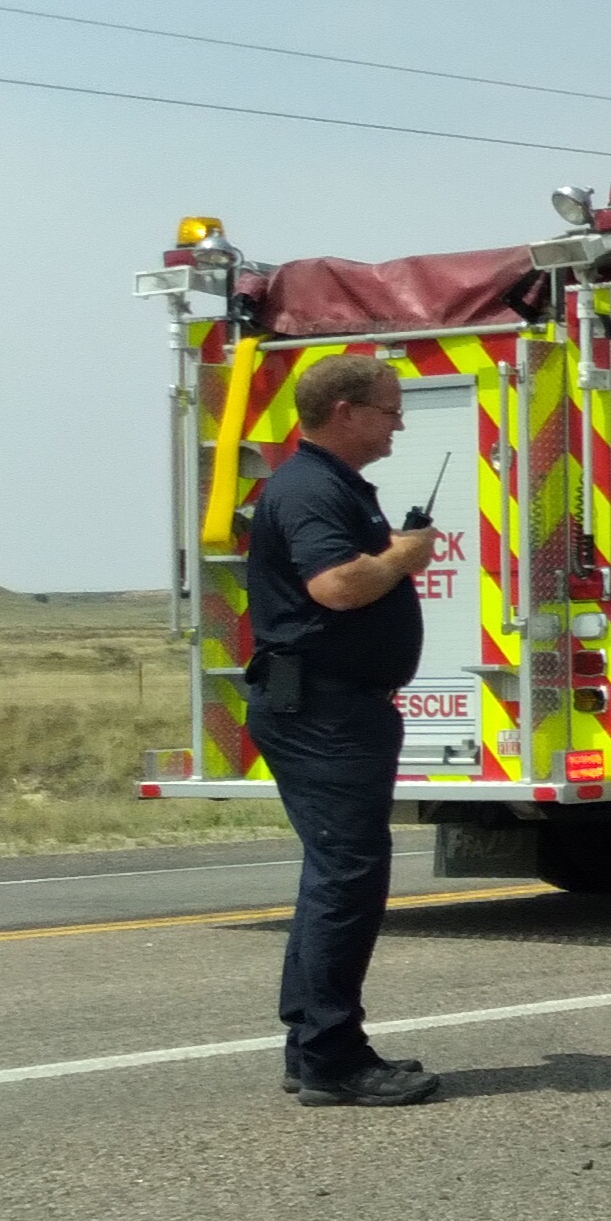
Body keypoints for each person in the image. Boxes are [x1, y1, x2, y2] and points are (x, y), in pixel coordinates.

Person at [244, 353, 442, 1107]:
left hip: (335, 704)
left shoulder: (327, 486)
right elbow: (336, 586)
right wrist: (401, 555)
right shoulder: (307, 490)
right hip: (324, 708)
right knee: (348, 875)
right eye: (389, 409)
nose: (398, 423)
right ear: (344, 411)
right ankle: (333, 1057)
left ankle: (312, 1044)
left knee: (335, 872)